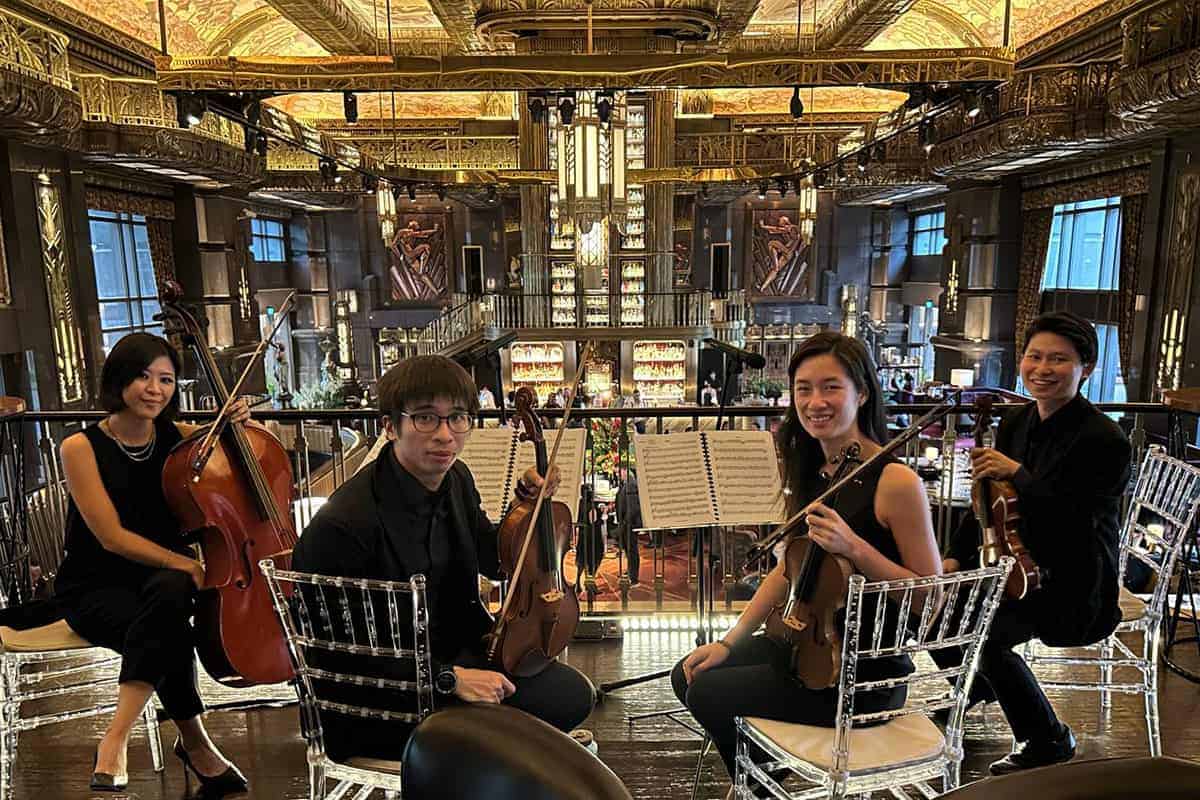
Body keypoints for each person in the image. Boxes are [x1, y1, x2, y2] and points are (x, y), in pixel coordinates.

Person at [291, 355, 595, 761]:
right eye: (425, 418)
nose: (445, 435)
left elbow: (495, 558)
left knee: (572, 696)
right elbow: (342, 659)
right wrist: (449, 681)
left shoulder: (456, 480)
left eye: (457, 418)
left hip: (459, 659)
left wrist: (526, 506)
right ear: (388, 426)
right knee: (536, 743)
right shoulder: (343, 526)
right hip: (382, 705)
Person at [671, 333, 941, 784]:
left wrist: (855, 548)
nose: (816, 401)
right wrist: (729, 641)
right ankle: (763, 780)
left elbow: (930, 597)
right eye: (803, 388)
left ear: (863, 392)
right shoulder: (817, 472)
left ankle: (759, 783)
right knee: (691, 674)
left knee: (711, 692)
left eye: (831, 386)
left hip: (861, 674)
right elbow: (786, 570)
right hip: (806, 649)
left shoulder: (895, 482)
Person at [40, 333, 249, 794]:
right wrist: (185, 563)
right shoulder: (80, 447)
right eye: (142, 376)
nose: (154, 389)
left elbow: (243, 455)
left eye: (166, 379)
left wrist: (235, 424)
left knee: (168, 603)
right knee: (170, 618)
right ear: (119, 380)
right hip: (95, 587)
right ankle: (186, 743)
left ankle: (119, 742)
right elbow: (110, 538)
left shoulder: (181, 439)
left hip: (161, 584)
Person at [934, 311, 1131, 774]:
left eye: (1059, 360)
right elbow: (987, 502)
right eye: (1034, 356)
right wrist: (951, 557)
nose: (1042, 368)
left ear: (1087, 368)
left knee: (986, 637)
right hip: (1016, 567)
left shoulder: (1105, 439)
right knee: (937, 609)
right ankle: (985, 685)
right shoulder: (1018, 422)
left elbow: (1075, 521)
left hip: (1074, 582)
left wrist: (1018, 473)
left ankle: (1048, 739)